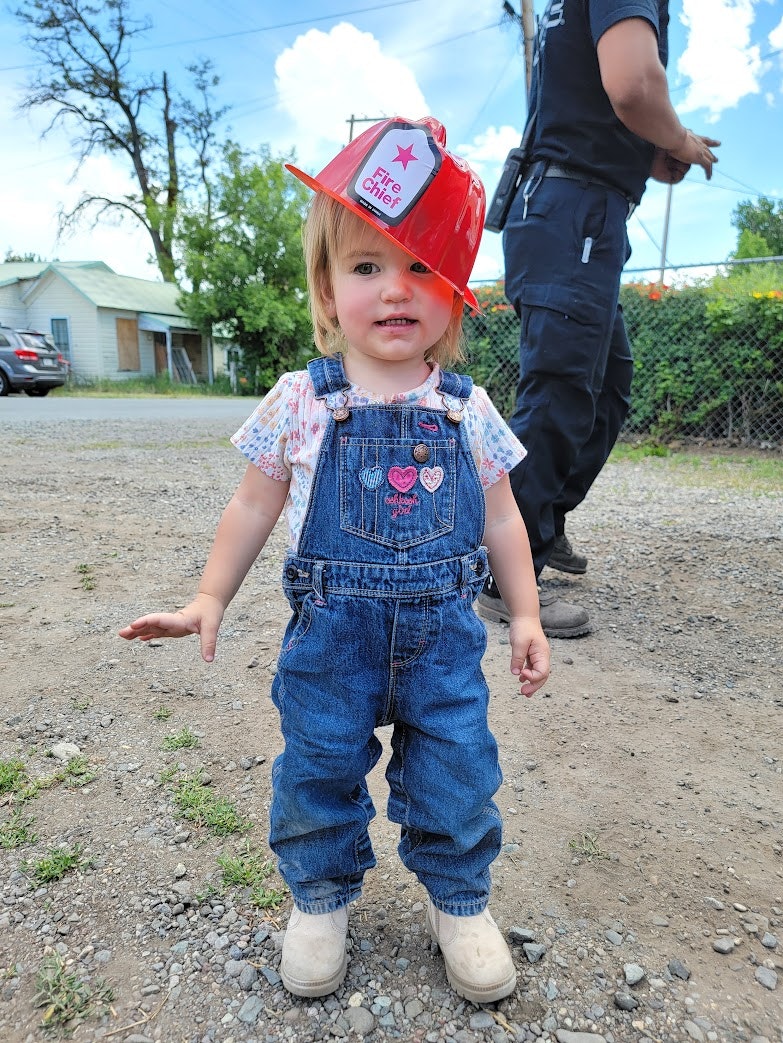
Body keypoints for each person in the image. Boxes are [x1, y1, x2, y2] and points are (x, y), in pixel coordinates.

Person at [119, 116, 550, 1004]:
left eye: (423, 265)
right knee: (315, 766)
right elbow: (252, 502)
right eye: (366, 266)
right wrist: (210, 595)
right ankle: (320, 899)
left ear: (457, 291)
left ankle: (458, 900)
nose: (396, 290)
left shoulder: (470, 411)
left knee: (458, 769)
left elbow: (503, 519)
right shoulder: (298, 401)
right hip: (331, 645)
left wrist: (529, 614)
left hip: (442, 646)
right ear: (326, 285)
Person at [478, 0, 720, 638]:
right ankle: (508, 571)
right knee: (560, 390)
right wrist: (679, 139)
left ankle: (540, 523)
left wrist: (647, 151)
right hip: (572, 212)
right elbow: (634, 84)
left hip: (573, 208)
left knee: (606, 387)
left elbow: (591, 98)